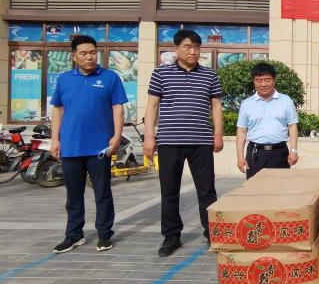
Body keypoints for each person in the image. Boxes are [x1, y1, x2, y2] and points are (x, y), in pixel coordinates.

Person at [144, 29, 224, 257]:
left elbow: (216, 106)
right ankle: (171, 236)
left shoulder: (210, 75)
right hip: (169, 141)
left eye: (197, 47)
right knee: (169, 190)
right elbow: (152, 106)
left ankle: (212, 233)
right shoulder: (161, 73)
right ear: (176, 49)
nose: (193, 51)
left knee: (207, 190)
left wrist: (218, 134)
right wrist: (149, 136)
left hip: (201, 141)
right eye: (188, 47)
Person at [50, 35, 128, 253]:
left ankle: (104, 234)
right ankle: (74, 235)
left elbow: (118, 109)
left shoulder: (110, 78)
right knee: (73, 195)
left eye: (93, 52)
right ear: (74, 56)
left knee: (102, 193)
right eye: (83, 53)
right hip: (71, 147)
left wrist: (117, 136)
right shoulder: (64, 79)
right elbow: (58, 109)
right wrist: (55, 139)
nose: (89, 57)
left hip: (99, 148)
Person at [236, 63, 299, 178]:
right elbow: (242, 131)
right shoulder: (247, 104)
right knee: (255, 188)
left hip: (280, 153)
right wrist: (240, 157)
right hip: (255, 154)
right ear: (254, 82)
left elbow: (292, 126)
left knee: (280, 187)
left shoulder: (286, 101)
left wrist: (293, 151)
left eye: (267, 80)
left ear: (274, 80)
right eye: (259, 80)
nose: (263, 84)